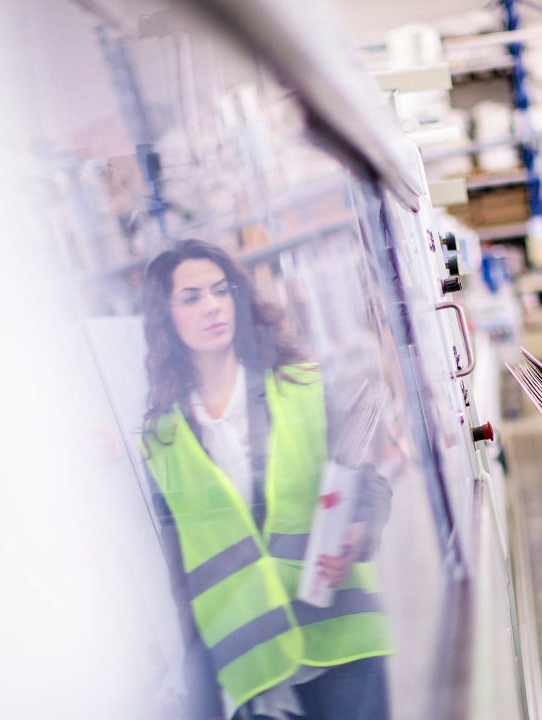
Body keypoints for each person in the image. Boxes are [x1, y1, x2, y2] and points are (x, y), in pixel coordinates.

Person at [140, 239, 392, 720]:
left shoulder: (301, 387)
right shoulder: (162, 439)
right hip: (253, 664)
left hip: (340, 638)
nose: (212, 306)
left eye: (220, 290)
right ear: (164, 317)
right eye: (191, 297)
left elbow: (370, 486)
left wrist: (359, 533)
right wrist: (202, 700)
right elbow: (182, 577)